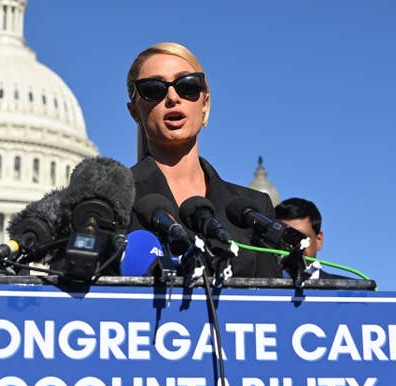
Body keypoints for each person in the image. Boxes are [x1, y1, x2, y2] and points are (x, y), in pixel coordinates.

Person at [126, 42, 279, 278]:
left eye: (187, 86)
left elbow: (272, 307)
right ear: (134, 111)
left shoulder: (254, 208)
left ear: (205, 103)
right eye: (153, 89)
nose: (172, 97)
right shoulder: (115, 201)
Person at [274, 197, 347, 279]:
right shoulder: (258, 288)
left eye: (300, 237)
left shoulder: (352, 289)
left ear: (318, 240)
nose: (292, 246)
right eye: (285, 237)